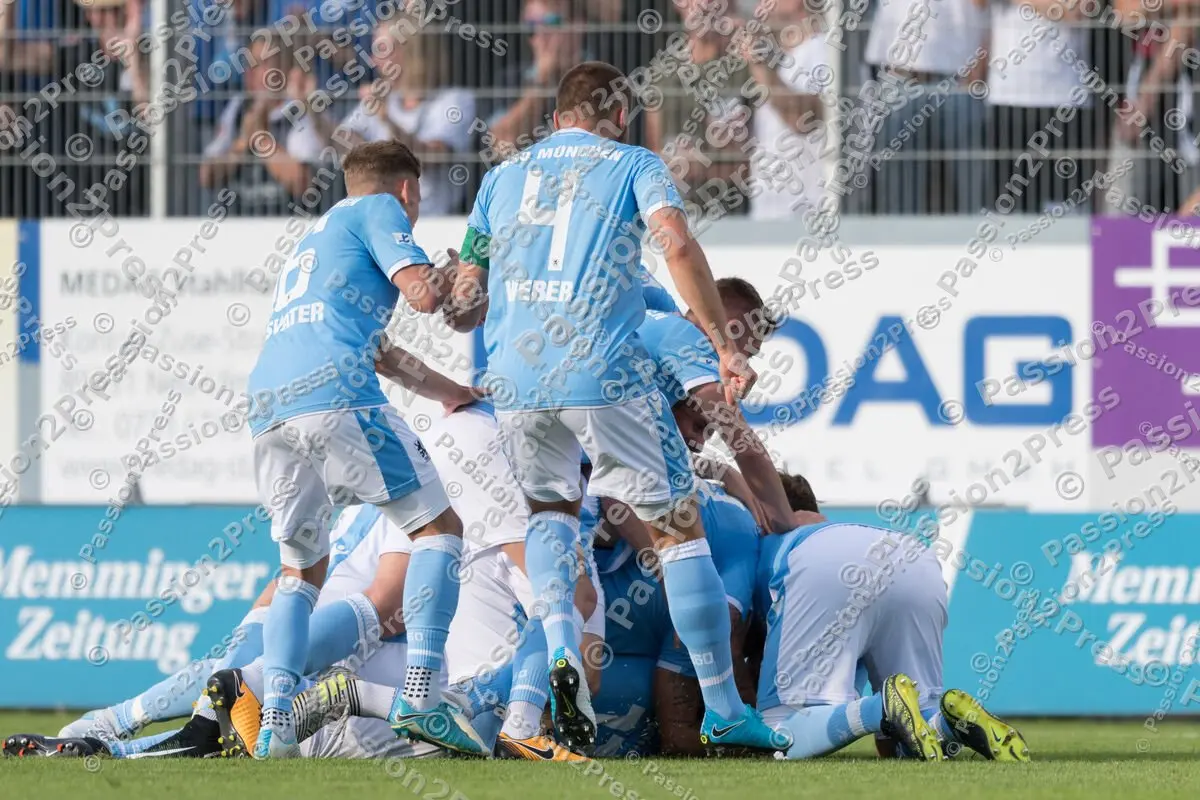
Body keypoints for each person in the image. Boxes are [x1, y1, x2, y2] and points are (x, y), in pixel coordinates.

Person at [445, 59, 788, 756]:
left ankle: (560, 648)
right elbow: (676, 244)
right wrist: (724, 344)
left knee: (550, 514)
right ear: (620, 117)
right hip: (601, 371)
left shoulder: (500, 179)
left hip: (515, 380)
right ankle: (724, 709)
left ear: (555, 118)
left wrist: (447, 288)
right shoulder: (634, 163)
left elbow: (465, 304)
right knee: (679, 530)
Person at [243, 140, 483, 759]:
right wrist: (454, 275)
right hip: (335, 394)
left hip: (269, 409)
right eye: (417, 199)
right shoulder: (380, 209)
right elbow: (423, 295)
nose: (414, 212)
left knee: (301, 570)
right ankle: (422, 698)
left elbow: (385, 354)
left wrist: (453, 392)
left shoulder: (317, 240)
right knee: (439, 529)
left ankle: (276, 725)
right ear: (406, 189)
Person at [755, 473, 1031, 761]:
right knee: (913, 725)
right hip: (914, 559)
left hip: (821, 564)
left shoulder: (765, 538)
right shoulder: (844, 528)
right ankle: (949, 724)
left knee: (777, 732)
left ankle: (880, 708)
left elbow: (737, 635)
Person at [336, 15, 477, 215]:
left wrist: (387, 120)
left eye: (382, 49)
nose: (374, 60)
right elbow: (343, 140)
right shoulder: (384, 98)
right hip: (380, 216)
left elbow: (433, 157)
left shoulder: (455, 100)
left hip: (435, 219)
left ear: (411, 52)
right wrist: (311, 110)